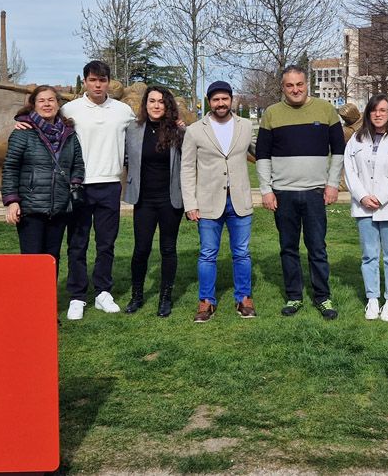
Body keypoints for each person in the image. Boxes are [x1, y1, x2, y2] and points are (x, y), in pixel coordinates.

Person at [257, 65, 345, 319]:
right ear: (282, 87)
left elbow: (338, 150)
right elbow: (262, 155)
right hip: (283, 193)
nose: (295, 89)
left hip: (315, 192)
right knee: (288, 248)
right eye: (289, 85)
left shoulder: (326, 110)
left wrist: (331, 184)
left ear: (307, 84)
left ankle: (322, 297)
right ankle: (294, 296)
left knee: (317, 247)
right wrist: (266, 190)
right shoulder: (271, 114)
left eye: (299, 84)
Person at [58, 60, 135, 319]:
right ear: (85, 82)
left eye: (102, 80)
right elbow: (45, 124)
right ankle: (77, 296)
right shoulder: (70, 109)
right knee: (77, 244)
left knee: (106, 243)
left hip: (110, 185)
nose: (98, 85)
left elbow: (145, 130)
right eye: (93, 80)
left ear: (109, 82)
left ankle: (103, 291)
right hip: (79, 186)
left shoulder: (123, 110)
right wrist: (21, 122)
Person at [181, 81, 256, 323]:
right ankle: (206, 302)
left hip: (239, 200)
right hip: (208, 202)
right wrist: (190, 204)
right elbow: (187, 169)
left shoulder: (245, 126)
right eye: (216, 100)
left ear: (231, 100)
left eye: (225, 99)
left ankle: (243, 298)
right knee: (207, 254)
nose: (221, 103)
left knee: (242, 253)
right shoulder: (195, 130)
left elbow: (260, 154)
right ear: (209, 102)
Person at [2, 86, 86, 277]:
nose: (47, 104)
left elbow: (78, 164)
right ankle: (30, 303)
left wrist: (74, 183)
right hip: (31, 207)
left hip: (59, 207)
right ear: (34, 105)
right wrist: (12, 200)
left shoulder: (69, 134)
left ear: (58, 103)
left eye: (51, 100)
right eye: (41, 100)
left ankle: (47, 304)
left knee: (52, 257)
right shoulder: (23, 132)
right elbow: (10, 167)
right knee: (32, 258)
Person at [344, 93, 388, 322]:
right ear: (368, 113)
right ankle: (372, 299)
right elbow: (350, 171)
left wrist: (382, 197)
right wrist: (363, 196)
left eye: (383, 110)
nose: (378, 114)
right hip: (364, 207)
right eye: (374, 110)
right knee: (369, 255)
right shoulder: (356, 139)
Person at [122, 86, 185, 317]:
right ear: (145, 104)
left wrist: (184, 129)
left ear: (167, 106)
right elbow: (127, 157)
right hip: (144, 200)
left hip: (170, 199)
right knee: (141, 249)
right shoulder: (133, 129)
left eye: (161, 102)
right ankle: (137, 296)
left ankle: (165, 298)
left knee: (168, 249)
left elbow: (188, 160)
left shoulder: (178, 132)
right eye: (152, 101)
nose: (156, 105)